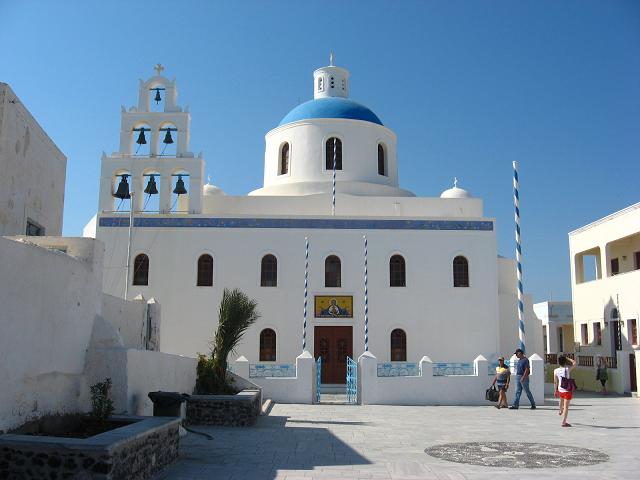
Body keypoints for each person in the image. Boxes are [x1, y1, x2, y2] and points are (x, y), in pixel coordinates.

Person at [554, 355, 577, 427]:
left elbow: (555, 381)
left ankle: (560, 410)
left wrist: (555, 390)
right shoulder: (567, 369)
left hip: (560, 389)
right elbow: (575, 363)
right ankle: (564, 422)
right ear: (565, 362)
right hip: (567, 389)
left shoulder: (555, 370)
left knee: (561, 400)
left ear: (559, 362)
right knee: (566, 407)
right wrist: (568, 358)